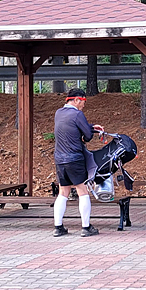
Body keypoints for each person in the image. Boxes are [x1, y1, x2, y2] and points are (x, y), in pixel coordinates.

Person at [52, 88, 103, 237]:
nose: (83, 105)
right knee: (82, 191)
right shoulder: (77, 114)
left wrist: (91, 126)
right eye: (83, 101)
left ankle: (58, 227)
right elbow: (87, 136)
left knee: (63, 192)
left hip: (60, 159)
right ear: (76, 100)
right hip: (74, 158)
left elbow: (71, 127)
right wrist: (90, 130)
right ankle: (86, 227)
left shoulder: (58, 113)